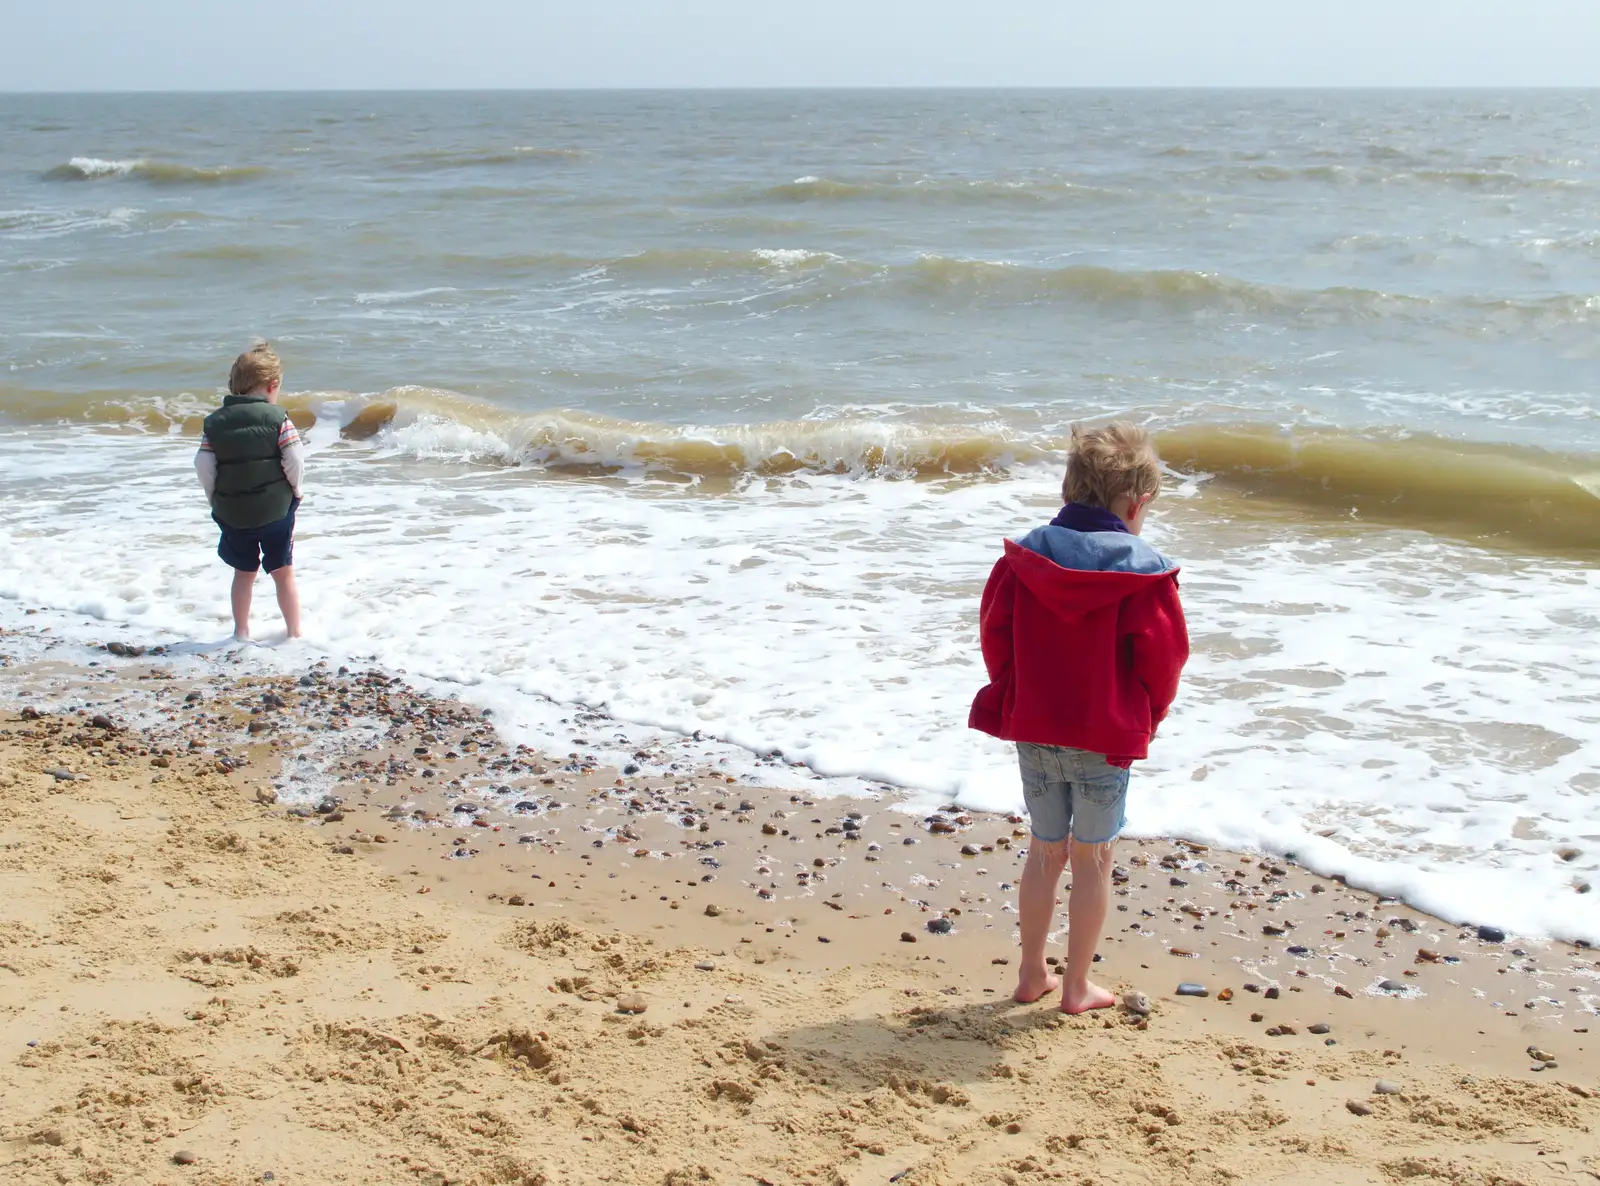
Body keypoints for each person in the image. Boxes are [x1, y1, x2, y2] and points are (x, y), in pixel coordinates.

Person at [969, 422, 1188, 1014]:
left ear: (1068, 489)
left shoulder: (1022, 559)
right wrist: (1151, 716)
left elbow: (995, 636)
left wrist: (1013, 691)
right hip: (1105, 734)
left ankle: (1030, 971)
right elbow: (1163, 662)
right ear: (1137, 504)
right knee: (1092, 859)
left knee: (1044, 850)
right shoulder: (1146, 573)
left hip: (1035, 725)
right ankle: (1075, 986)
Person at [195, 342, 304, 642]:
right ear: (273, 385)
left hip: (233, 513)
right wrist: (295, 491)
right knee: (283, 572)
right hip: (275, 511)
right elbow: (294, 460)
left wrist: (215, 498)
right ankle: (294, 633)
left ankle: (241, 632)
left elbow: (203, 464)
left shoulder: (214, 423)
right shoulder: (279, 419)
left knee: (243, 572)